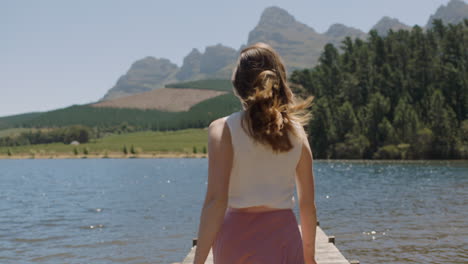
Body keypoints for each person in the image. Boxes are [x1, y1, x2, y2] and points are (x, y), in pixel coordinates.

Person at [193, 42, 317, 264]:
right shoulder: (297, 132)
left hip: (237, 239)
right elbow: (307, 204)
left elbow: (215, 201)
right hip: (285, 237)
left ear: (238, 86)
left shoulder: (223, 129)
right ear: (280, 83)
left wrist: (198, 261)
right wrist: (309, 257)